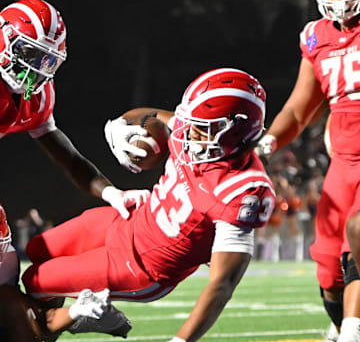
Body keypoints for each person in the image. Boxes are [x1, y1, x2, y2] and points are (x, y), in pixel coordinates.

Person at [22, 68, 276, 342]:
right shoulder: (194, 128)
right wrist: (121, 126)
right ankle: (70, 318)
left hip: (141, 266)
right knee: (36, 248)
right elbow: (151, 115)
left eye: (202, 129)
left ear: (234, 134)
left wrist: (180, 341)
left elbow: (222, 284)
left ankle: (74, 319)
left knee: (35, 280)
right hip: (128, 218)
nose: (187, 133)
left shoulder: (243, 190)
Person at [255, 0, 360, 341]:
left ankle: (352, 330)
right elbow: (299, 110)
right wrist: (268, 141)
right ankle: (341, 323)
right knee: (329, 268)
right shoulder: (316, 37)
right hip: (344, 164)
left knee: (358, 241)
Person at [0, 0, 149, 220]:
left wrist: (112, 193)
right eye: (28, 53)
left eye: (46, 60)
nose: (34, 69)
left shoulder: (38, 96)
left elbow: (69, 159)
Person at [0, 203, 131, 342]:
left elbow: (33, 317)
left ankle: (79, 318)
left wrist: (76, 312)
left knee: (15, 303)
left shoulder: (6, 263)